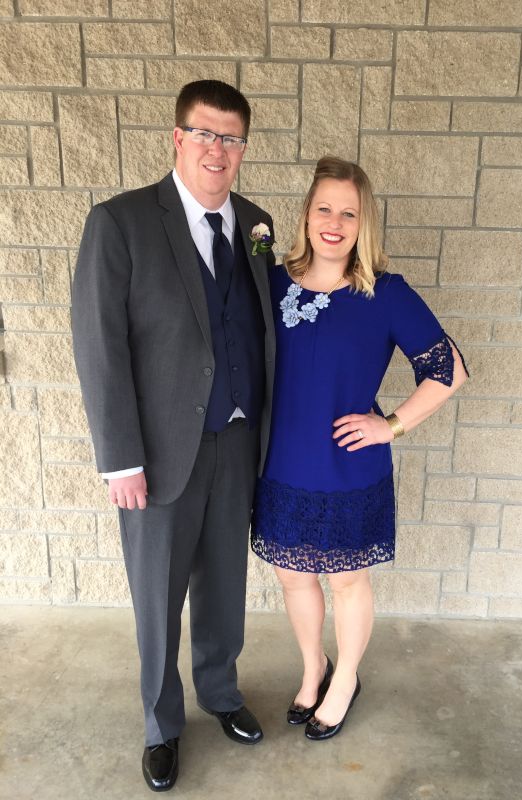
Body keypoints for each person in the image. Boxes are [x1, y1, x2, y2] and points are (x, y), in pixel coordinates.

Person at [71, 80, 276, 792]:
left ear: (243, 148)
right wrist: (119, 458)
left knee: (224, 584)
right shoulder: (120, 222)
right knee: (157, 597)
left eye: (232, 138)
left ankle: (220, 691)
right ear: (178, 138)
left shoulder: (257, 224)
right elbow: (100, 345)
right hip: (157, 455)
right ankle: (162, 725)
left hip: (238, 443)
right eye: (205, 133)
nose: (218, 150)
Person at [251, 156, 469, 741]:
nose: (334, 222)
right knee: (293, 576)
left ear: (363, 222)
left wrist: (391, 425)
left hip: (349, 465)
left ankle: (345, 678)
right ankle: (313, 668)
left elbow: (449, 371)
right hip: (282, 460)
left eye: (348, 213)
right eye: (324, 208)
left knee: (347, 580)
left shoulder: (385, 293)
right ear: (307, 213)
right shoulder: (272, 282)